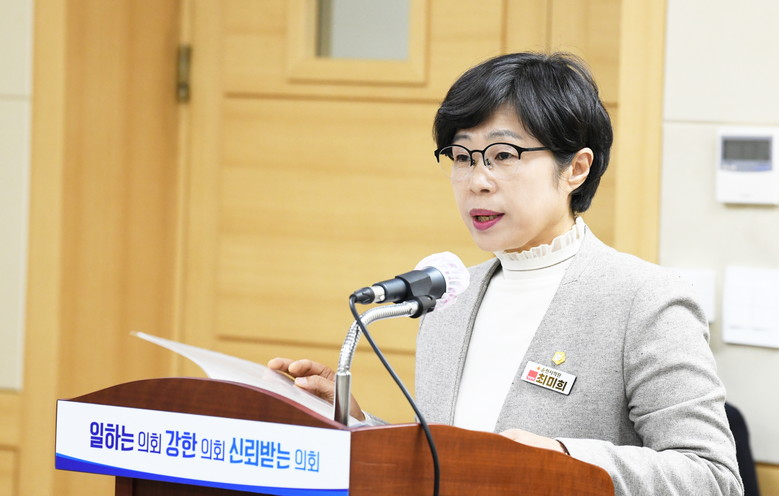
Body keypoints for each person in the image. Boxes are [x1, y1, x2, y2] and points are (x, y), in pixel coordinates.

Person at [269, 52, 743, 495]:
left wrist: (564, 459)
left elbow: (713, 477)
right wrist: (359, 424)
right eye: (462, 157)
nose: (477, 181)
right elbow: (454, 458)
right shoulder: (450, 295)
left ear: (576, 169)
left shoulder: (645, 301)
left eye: (504, 155)